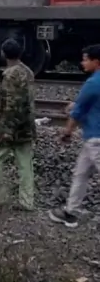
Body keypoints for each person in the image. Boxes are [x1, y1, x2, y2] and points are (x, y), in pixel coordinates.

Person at [50, 44, 100, 227]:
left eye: (86, 59)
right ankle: (71, 211)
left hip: (97, 138)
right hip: (91, 138)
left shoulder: (93, 83)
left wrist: (66, 132)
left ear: (96, 61)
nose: (82, 62)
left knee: (82, 174)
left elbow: (77, 112)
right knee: (80, 173)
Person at [0, 39, 36, 210]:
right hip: (26, 127)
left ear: (3, 54)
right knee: (25, 166)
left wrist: (5, 130)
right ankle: (27, 201)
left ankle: (0, 197)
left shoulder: (9, 75)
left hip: (10, 128)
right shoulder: (28, 72)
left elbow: (10, 105)